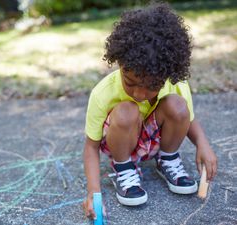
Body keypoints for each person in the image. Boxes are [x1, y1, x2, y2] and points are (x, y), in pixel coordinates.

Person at [82, 3, 218, 219]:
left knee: (177, 104)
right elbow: (91, 146)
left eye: (152, 86)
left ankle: (168, 159)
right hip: (121, 142)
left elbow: (189, 119)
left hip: (154, 140)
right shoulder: (103, 93)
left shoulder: (177, 84)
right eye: (130, 82)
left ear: (168, 74)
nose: (138, 93)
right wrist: (93, 192)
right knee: (127, 110)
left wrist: (203, 144)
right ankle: (124, 168)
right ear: (119, 64)